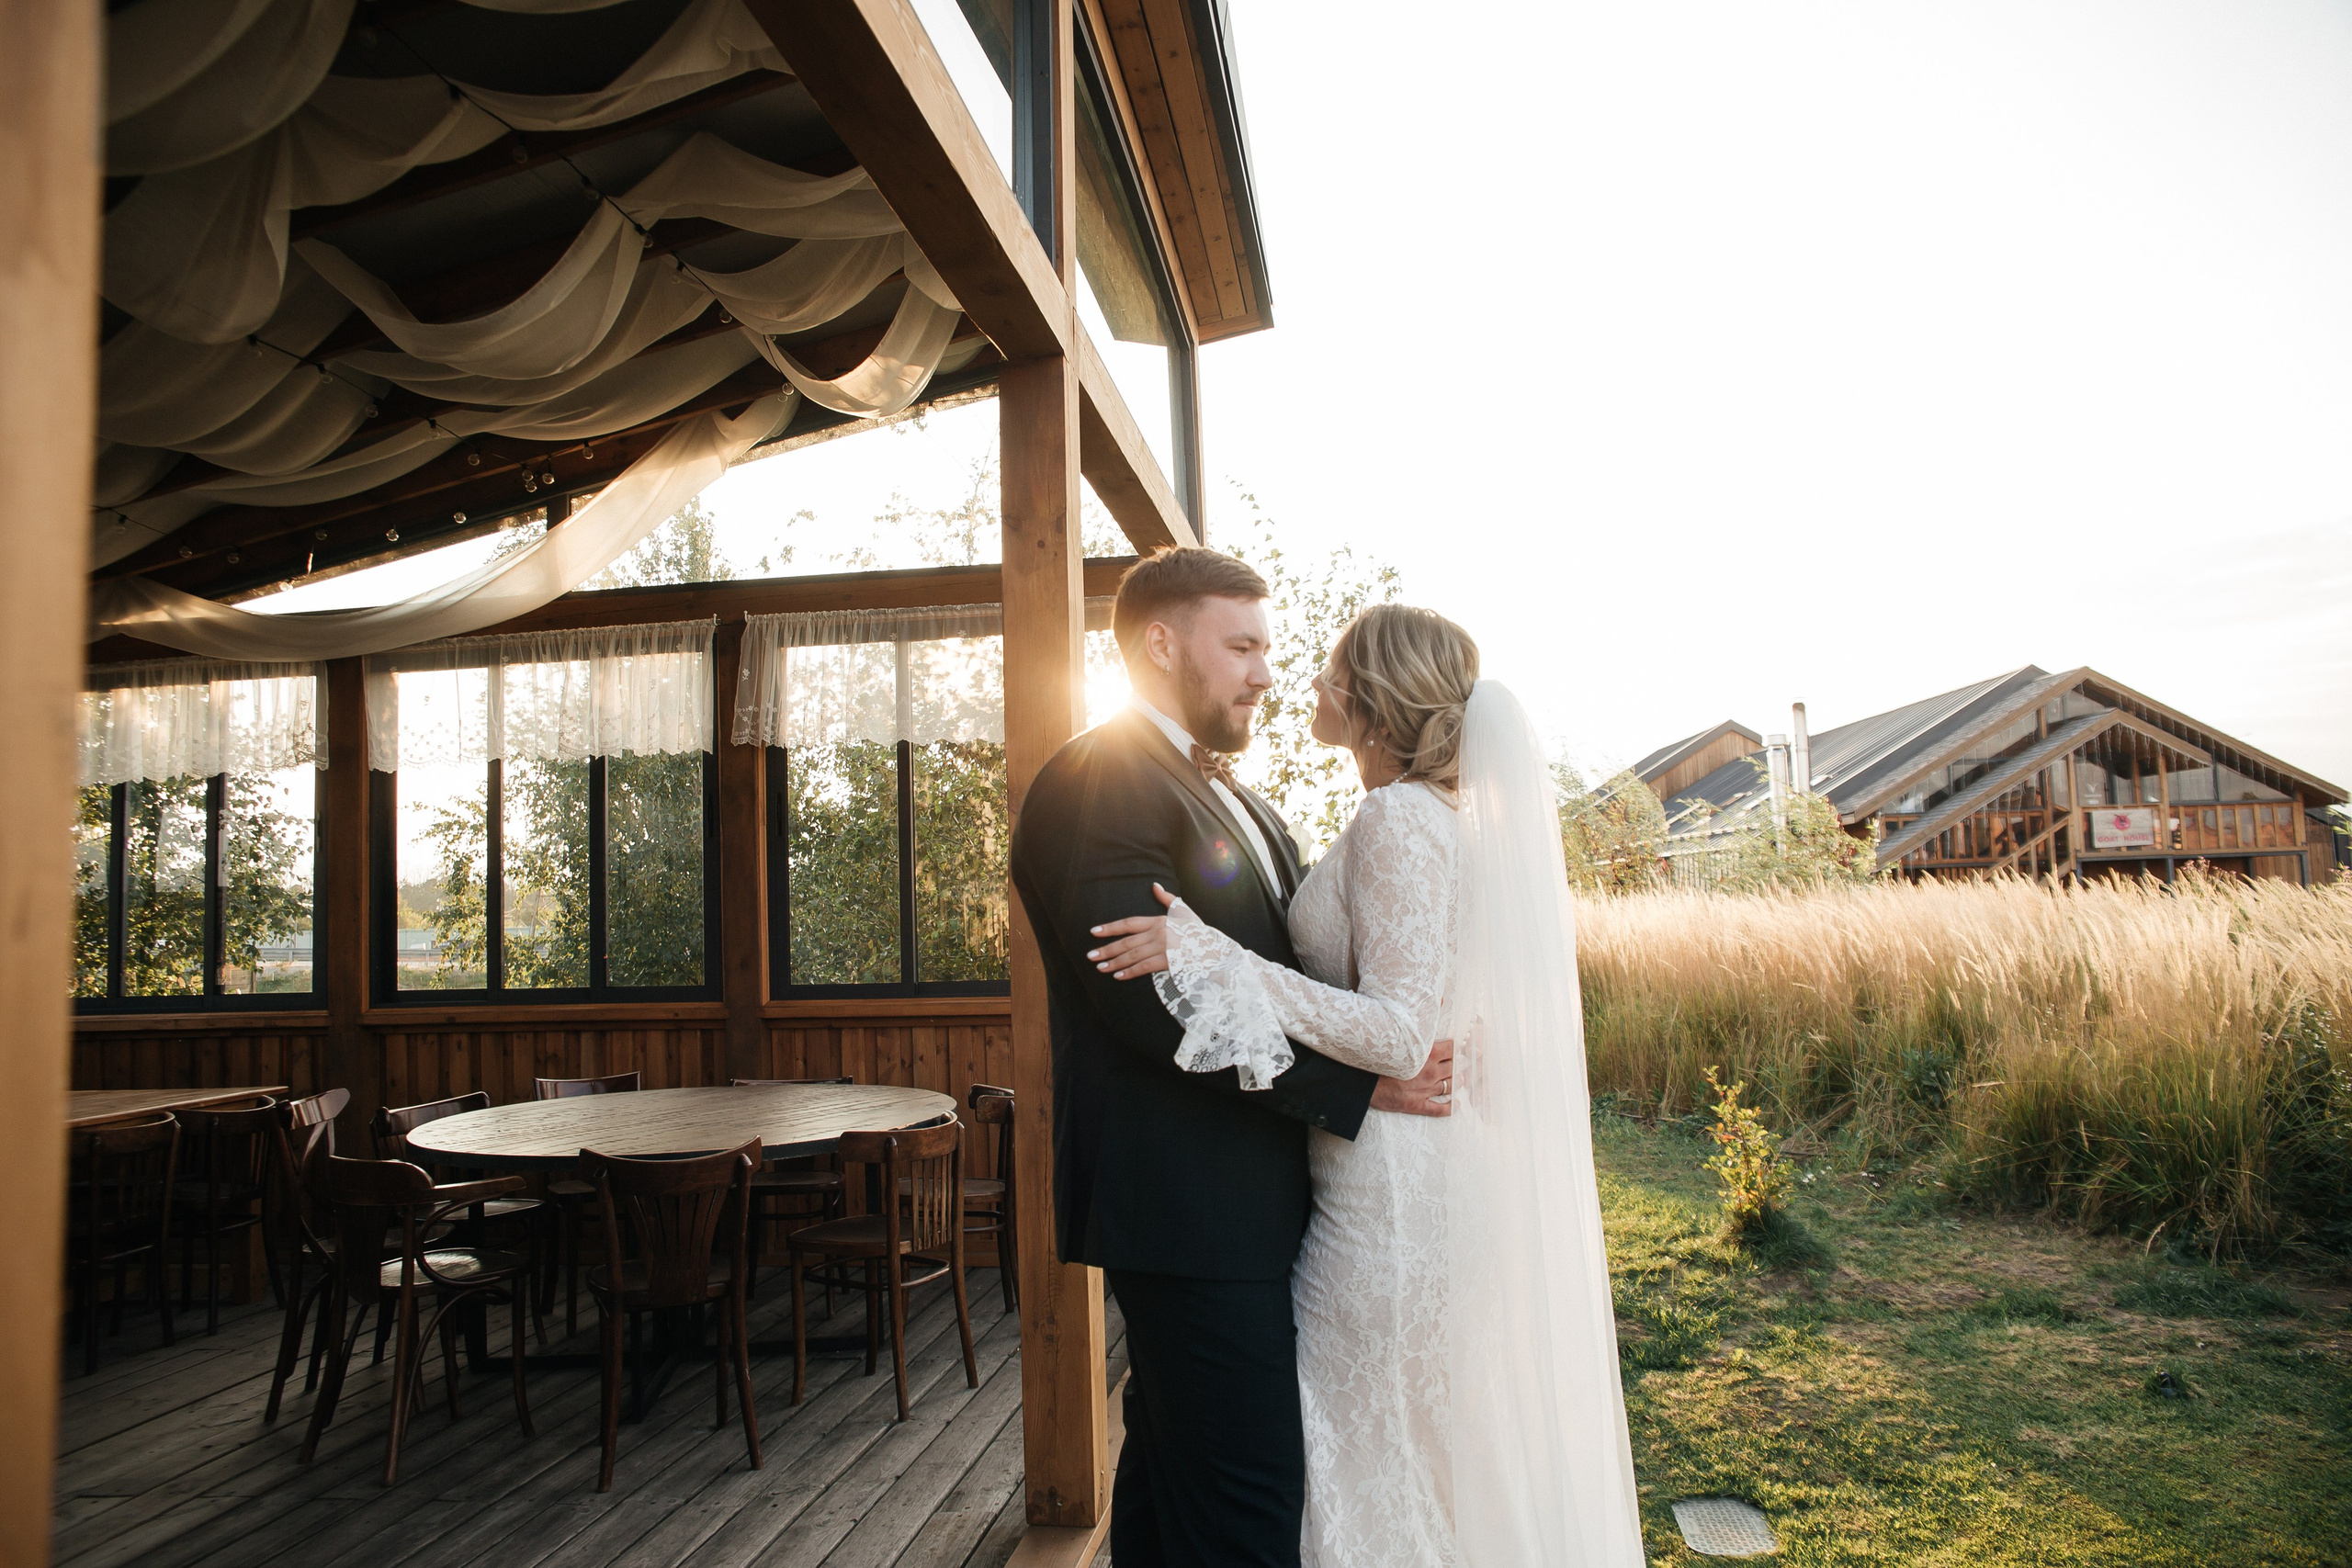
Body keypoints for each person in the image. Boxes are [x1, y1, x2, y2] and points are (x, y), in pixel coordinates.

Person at [1089, 603, 1645, 1566]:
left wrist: (1214, 955)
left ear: (1369, 700)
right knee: (1398, 1442)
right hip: (1400, 1169)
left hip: (1389, 1189)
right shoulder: (1434, 818)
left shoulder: (1396, 817)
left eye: (1327, 669)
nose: (1303, 682)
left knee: (1360, 1438)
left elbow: (1396, 1032)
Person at [1009, 549, 1454, 1568]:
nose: (1266, 672)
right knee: (1251, 1502)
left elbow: (1266, 969)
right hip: (1184, 1203)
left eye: (1269, 648)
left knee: (1175, 1478)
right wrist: (1354, 1084)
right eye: (1243, 645)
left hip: (1247, 1199)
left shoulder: (1232, 797)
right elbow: (1146, 1002)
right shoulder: (1102, 775)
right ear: (1161, 645)